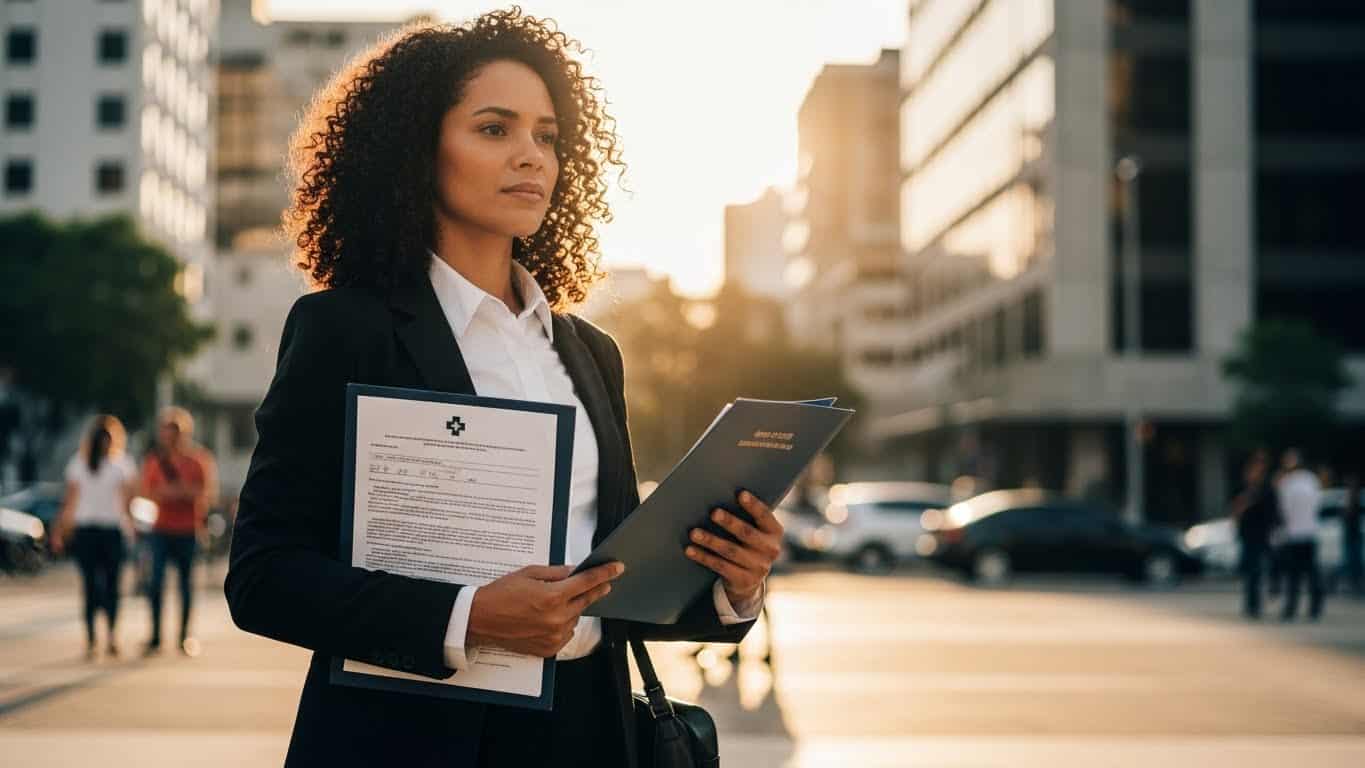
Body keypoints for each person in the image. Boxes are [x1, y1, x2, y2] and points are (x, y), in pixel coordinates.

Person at [224, 11, 781, 767]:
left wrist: (730, 584)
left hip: (587, 734)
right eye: (494, 129)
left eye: (547, 136)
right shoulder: (345, 330)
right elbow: (265, 575)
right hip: (407, 742)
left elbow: (612, 582)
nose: (531, 156)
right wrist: (468, 617)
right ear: (417, 150)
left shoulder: (590, 353)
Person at [51, 415, 137, 660]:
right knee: (90, 585)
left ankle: (111, 635)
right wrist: (60, 529)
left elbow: (128, 500)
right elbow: (69, 500)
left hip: (112, 530)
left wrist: (132, 525)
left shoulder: (122, 464)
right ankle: (91, 639)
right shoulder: (79, 464)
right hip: (86, 530)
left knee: (113, 586)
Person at [140, 406, 217, 656]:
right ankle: (155, 636)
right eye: (166, 431)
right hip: (161, 529)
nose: (170, 436)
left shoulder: (198, 460)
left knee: (186, 585)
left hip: (188, 530)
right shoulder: (154, 460)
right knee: (155, 583)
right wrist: (178, 492)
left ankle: (184, 636)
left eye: (175, 431)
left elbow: (205, 493)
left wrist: (177, 492)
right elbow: (147, 492)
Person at [1229, 449, 1279, 619]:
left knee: (1261, 568)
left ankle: (1262, 598)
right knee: (1251, 570)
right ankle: (1252, 604)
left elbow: (1272, 511)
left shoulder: (1266, 489)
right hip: (1248, 533)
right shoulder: (1243, 487)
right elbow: (1235, 509)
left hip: (1262, 533)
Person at [1276, 448, 1324, 621]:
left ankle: (1291, 608)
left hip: (1294, 534)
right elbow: (1318, 503)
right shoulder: (1312, 479)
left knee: (1293, 575)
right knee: (1311, 572)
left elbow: (1284, 509)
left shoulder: (1287, 483)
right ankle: (1315, 608)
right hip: (1310, 532)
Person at [1340, 471, 1362, 597]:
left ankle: (1355, 583)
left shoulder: (1353, 498)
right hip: (1352, 535)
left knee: (1353, 561)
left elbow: (1348, 515)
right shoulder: (1351, 497)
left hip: (1352, 535)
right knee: (1352, 560)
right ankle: (1354, 583)